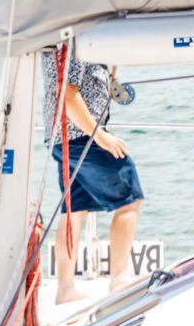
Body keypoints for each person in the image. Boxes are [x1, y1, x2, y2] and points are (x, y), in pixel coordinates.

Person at [50, 50, 143, 305]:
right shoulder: (77, 42)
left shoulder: (67, 38)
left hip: (64, 137)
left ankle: (65, 290)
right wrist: (100, 136)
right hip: (82, 137)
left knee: (74, 209)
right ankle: (119, 278)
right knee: (130, 196)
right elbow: (67, 95)